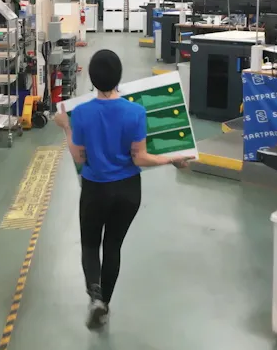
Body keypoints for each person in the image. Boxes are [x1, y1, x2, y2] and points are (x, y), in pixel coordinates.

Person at [53, 49, 192, 330]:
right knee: (113, 245)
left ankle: (94, 298)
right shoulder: (136, 111)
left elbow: (80, 158)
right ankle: (105, 304)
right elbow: (139, 157)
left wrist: (66, 128)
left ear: (91, 79)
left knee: (91, 245)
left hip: (95, 189)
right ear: (119, 78)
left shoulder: (80, 114)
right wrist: (172, 159)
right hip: (128, 191)